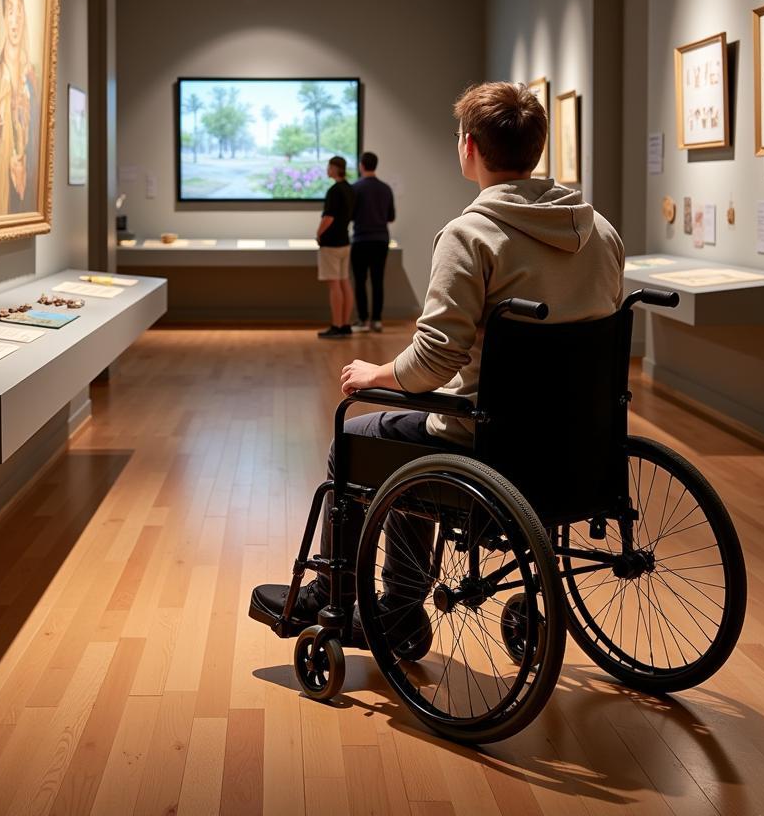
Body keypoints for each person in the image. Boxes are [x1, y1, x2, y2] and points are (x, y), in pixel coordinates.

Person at [251, 81, 624, 637]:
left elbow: (436, 356)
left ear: (468, 147)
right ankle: (398, 605)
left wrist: (375, 373)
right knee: (401, 435)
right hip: (578, 443)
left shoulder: (471, 236)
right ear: (537, 147)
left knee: (360, 438)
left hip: (489, 443)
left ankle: (354, 599)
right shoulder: (600, 231)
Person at [0, 0, 40, 216]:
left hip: (23, 200)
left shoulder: (31, 79)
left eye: (19, 8)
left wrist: (24, 160)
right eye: (10, 8)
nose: (15, 18)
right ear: (2, 13)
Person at [350, 151, 395, 332]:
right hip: (381, 240)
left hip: (361, 239)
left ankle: (362, 320)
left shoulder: (355, 188)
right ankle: (377, 320)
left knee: (360, 281)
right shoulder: (385, 189)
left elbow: (350, 215)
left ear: (361, 165)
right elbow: (391, 217)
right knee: (378, 281)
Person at [315, 155, 355, 339]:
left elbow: (328, 217)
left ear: (335, 168)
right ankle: (346, 324)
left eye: (329, 166)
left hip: (331, 244)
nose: (327, 169)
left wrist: (318, 233)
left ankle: (337, 325)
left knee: (334, 286)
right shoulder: (349, 189)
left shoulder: (334, 190)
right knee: (344, 282)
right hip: (344, 242)